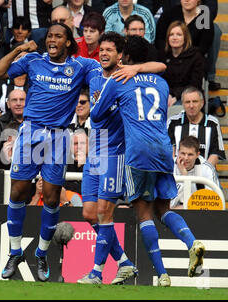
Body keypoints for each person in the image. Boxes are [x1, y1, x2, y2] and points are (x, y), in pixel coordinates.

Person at [0, 22, 167, 282]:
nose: (52, 40)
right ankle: (15, 252)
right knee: (17, 191)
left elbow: (117, 70)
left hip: (60, 135)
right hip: (30, 132)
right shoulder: (32, 60)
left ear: (69, 43)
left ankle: (41, 253)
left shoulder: (83, 66)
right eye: (49, 36)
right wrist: (19, 48)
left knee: (51, 198)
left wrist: (134, 66)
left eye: (58, 36)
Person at [92, 35, 205, 286]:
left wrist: (109, 99)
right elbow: (160, 74)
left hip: (138, 151)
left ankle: (162, 275)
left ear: (126, 57)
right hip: (164, 149)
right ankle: (192, 242)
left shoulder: (119, 79)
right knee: (164, 209)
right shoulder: (161, 83)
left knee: (143, 214)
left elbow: (97, 115)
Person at [77, 32, 138, 285]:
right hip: (95, 152)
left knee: (104, 212)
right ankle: (124, 263)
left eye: (109, 50)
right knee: (89, 214)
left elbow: (159, 68)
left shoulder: (126, 79)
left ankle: (97, 273)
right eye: (101, 49)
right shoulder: (92, 72)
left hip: (116, 153)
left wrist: (137, 68)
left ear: (120, 55)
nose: (103, 54)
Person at [167, 86, 226, 167]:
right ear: (183, 104)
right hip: (178, 174)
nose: (191, 105)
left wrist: (203, 172)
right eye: (187, 102)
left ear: (202, 103)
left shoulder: (212, 123)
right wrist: (179, 171)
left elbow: (216, 153)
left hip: (204, 176)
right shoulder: (173, 122)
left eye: (195, 101)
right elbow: (170, 151)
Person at [161, 20, 204, 109]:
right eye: (171, 34)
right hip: (166, 95)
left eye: (179, 35)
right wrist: (168, 94)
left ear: (185, 38)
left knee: (177, 108)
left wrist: (176, 96)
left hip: (188, 96)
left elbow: (195, 84)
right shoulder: (162, 56)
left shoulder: (195, 56)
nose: (174, 37)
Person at [170, 135, 221, 209]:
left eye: (190, 154)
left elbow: (213, 205)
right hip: (172, 213)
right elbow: (167, 205)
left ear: (197, 154)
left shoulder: (207, 169)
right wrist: (183, 177)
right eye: (183, 153)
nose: (186, 158)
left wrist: (186, 207)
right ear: (178, 152)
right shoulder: (168, 167)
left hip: (199, 214)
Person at [0, 88, 25, 154]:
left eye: (22, 100)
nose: (18, 103)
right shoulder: (0, 122)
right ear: (8, 104)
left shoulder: (35, 121)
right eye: (14, 100)